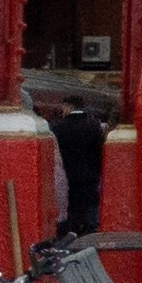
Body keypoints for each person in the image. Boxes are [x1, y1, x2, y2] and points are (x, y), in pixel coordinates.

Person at [48, 101, 105, 240]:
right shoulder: (93, 127)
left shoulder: (58, 128)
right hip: (89, 177)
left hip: (68, 176)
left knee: (71, 207)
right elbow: (100, 153)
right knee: (89, 206)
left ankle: (72, 232)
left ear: (68, 107)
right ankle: (88, 232)